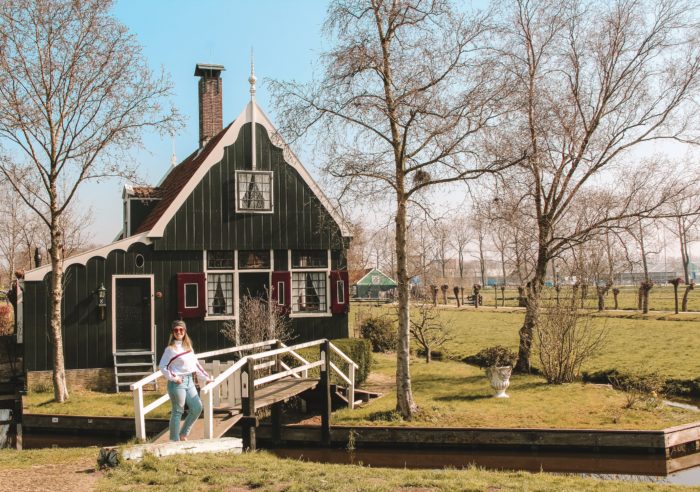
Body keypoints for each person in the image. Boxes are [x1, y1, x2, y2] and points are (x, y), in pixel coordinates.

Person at [159, 320, 212, 441]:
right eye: (176, 330)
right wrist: (175, 377)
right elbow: (163, 366)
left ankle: (183, 434)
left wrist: (206, 378)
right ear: (173, 332)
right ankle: (174, 439)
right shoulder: (170, 349)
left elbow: (196, 365)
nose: (179, 332)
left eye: (181, 330)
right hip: (177, 383)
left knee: (197, 407)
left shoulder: (189, 347)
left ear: (185, 331)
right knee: (178, 411)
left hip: (190, 381)